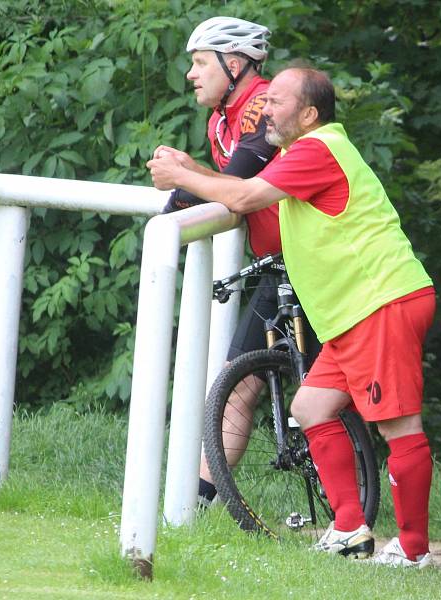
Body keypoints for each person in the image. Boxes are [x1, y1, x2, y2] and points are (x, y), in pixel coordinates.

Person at [148, 65, 436, 568]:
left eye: (277, 101)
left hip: (379, 304)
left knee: (399, 425)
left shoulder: (315, 150)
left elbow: (242, 197)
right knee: (309, 410)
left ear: (308, 113)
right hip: (356, 312)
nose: (265, 110)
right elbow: (242, 190)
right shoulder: (301, 151)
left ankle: (414, 551)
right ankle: (349, 530)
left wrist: (179, 177)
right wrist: (194, 168)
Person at [156, 17, 321, 508]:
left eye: (200, 62)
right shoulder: (221, 119)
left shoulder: (264, 108)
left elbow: (243, 187)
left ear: (234, 64)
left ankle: (351, 512)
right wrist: (192, 173)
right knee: (239, 382)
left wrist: (181, 189)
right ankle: (200, 504)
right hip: (278, 266)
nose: (191, 74)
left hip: (314, 264)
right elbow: (231, 186)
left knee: (323, 393)